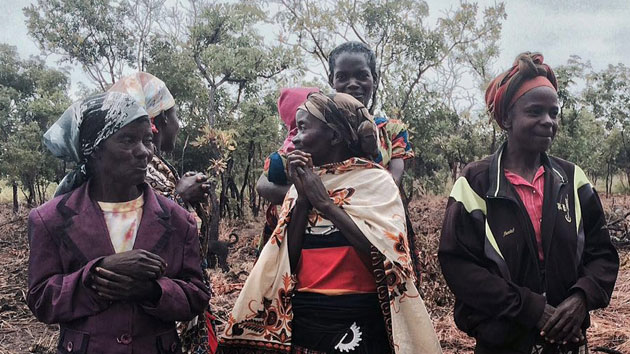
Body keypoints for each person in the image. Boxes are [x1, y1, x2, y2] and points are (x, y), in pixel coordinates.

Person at [220, 92, 441, 354]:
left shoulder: (377, 183)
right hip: (306, 322)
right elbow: (285, 262)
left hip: (360, 321)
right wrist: (303, 200)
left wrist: (325, 205)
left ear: (334, 136)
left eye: (302, 127)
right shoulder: (300, 187)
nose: (294, 139)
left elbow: (387, 263)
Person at [439, 52, 619, 354]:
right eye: (535, 111)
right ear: (507, 118)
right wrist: (533, 310)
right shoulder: (476, 183)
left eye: (554, 112)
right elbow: (460, 266)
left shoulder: (572, 178)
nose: (548, 121)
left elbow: (601, 253)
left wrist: (581, 298)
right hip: (503, 343)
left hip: (567, 342)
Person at [27, 92, 210, 353]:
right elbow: (41, 299)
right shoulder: (50, 219)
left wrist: (152, 291)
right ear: (94, 149)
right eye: (127, 139)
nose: (144, 152)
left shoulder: (179, 221)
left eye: (147, 140)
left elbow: (197, 296)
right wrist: (98, 274)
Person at [256, 42, 414, 252]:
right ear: (332, 80)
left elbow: (392, 182)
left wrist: (326, 199)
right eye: (342, 77)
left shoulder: (390, 130)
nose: (353, 84)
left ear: (374, 79)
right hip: (310, 238)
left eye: (362, 75)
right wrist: (309, 198)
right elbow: (264, 185)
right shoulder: (315, 130)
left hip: (375, 233)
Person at [108, 72, 216, 353]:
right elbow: (135, 236)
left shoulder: (152, 168)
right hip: (150, 314)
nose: (179, 125)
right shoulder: (136, 170)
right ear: (162, 120)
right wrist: (179, 196)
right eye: (176, 115)